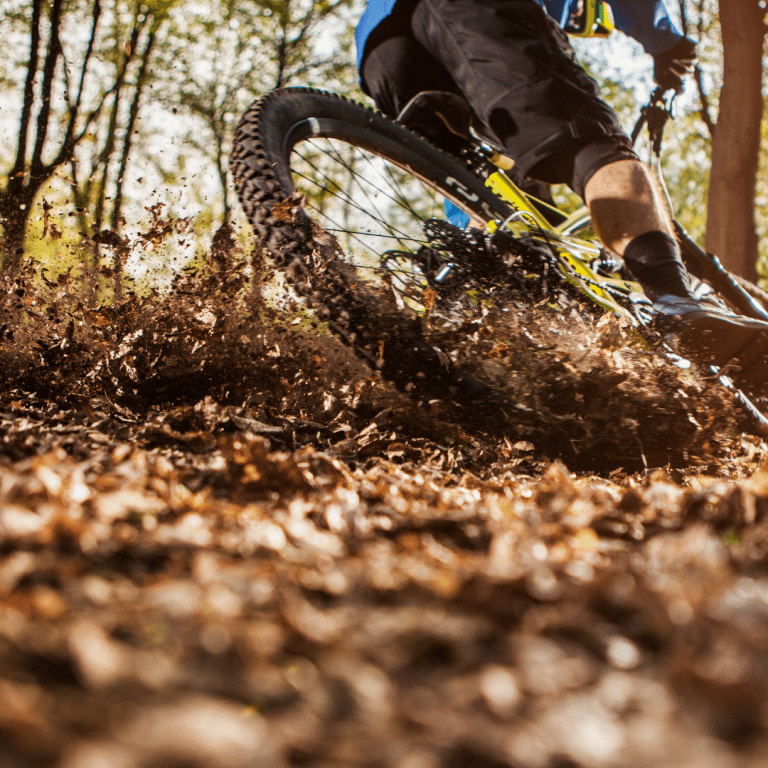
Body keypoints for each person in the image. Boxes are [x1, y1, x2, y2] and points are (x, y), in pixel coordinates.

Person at [354, 0, 768, 383]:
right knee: (588, 141)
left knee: (496, 204)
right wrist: (666, 42)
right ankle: (676, 302)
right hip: (472, 10)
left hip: (381, 50)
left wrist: (468, 224)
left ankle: (483, 338)